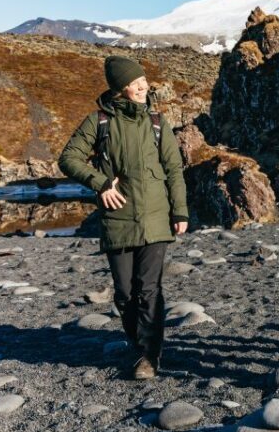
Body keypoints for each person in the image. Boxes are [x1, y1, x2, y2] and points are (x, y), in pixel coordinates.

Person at [59, 56, 188, 380]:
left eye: (143, 81)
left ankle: (149, 356)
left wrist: (180, 210)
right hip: (117, 218)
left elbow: (174, 169)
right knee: (124, 294)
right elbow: (69, 158)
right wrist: (100, 183)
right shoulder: (99, 122)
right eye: (135, 83)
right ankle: (137, 344)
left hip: (156, 217)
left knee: (148, 289)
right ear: (120, 88)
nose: (144, 87)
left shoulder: (157, 122)